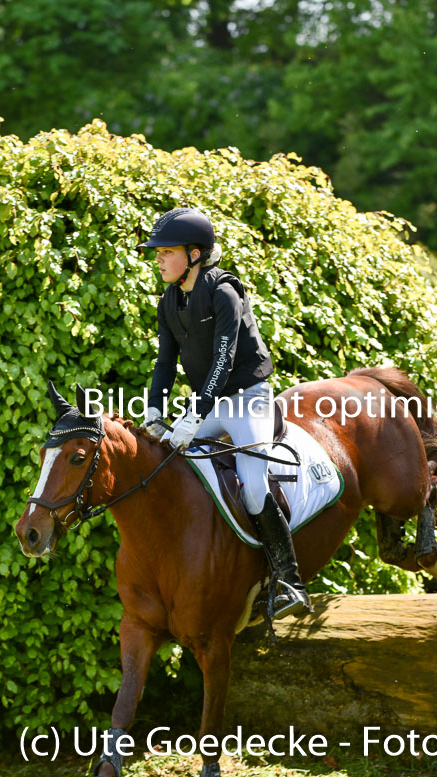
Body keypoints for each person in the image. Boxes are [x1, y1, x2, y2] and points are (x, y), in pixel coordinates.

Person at [140, 207, 311, 620]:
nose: (158, 259)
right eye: (157, 253)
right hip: (212, 402)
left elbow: (224, 359)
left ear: (195, 254)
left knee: (253, 487)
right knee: (172, 465)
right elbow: (165, 362)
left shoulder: (224, 291)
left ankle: (290, 580)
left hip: (248, 399)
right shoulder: (170, 301)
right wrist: (153, 410)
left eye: (166, 252)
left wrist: (194, 415)